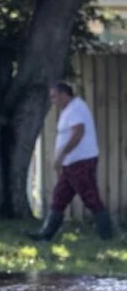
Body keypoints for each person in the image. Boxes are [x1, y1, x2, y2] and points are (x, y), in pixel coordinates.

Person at [27, 81, 113, 241]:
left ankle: (107, 235)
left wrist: (61, 155)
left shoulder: (76, 108)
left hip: (80, 161)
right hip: (71, 164)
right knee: (59, 197)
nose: (53, 101)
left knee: (90, 197)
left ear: (64, 95)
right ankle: (45, 234)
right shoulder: (70, 110)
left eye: (54, 97)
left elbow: (78, 133)